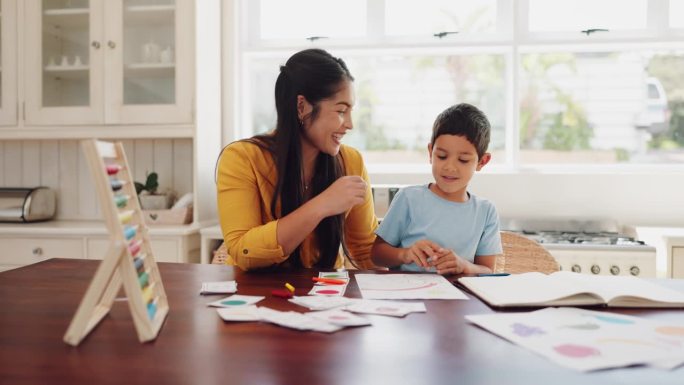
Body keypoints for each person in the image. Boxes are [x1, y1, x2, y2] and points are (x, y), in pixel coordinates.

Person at [216, 48, 378, 271]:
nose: (350, 124)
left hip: (325, 297)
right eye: (341, 111)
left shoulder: (351, 162)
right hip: (253, 296)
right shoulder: (242, 158)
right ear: (302, 107)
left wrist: (408, 256)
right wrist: (322, 205)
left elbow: (364, 250)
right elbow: (243, 250)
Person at [371, 103, 501, 275]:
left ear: (482, 162)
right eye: (442, 156)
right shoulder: (409, 199)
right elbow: (377, 255)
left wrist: (464, 266)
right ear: (430, 152)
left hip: (460, 299)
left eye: (463, 160)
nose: (449, 167)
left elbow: (488, 270)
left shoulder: (486, 212)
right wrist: (405, 254)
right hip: (409, 296)